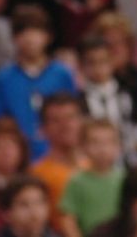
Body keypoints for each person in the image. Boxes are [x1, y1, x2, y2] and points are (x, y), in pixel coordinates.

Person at [0, 6, 77, 159]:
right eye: (23, 32)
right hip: (20, 158)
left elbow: (74, 117)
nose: (29, 39)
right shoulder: (4, 78)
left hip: (58, 155)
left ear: (48, 37)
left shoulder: (62, 74)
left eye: (36, 31)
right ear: (14, 38)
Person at [59, 119, 126, 237]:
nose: (102, 148)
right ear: (83, 147)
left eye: (109, 142)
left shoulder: (125, 179)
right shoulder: (77, 181)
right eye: (95, 142)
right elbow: (68, 219)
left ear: (119, 146)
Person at [29, 94, 87, 227]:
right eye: (56, 120)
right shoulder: (36, 175)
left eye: (71, 118)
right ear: (43, 129)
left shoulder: (99, 167)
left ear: (82, 122)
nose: (65, 126)